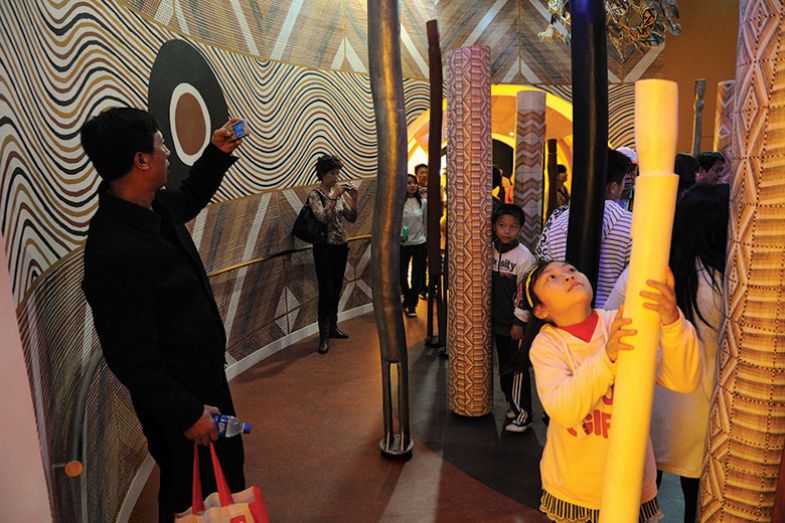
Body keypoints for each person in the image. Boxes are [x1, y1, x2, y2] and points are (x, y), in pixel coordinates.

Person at [80, 107, 246, 522]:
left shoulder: (154, 207)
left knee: (224, 473)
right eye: (160, 144)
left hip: (205, 380)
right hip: (178, 401)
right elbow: (130, 354)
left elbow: (189, 197)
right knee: (186, 494)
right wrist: (186, 412)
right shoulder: (113, 248)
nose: (167, 151)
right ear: (141, 159)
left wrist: (216, 153)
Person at [522, 260, 702, 523]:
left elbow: (683, 379)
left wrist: (673, 321)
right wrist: (607, 358)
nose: (569, 276)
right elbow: (564, 409)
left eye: (571, 270)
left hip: (633, 483)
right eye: (552, 277)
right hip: (577, 488)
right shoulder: (548, 345)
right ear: (540, 310)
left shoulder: (620, 322)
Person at [604, 183, 729, 523]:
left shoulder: (646, 272)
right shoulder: (730, 281)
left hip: (644, 408)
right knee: (700, 501)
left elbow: (606, 323)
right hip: (705, 413)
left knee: (638, 497)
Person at [536, 149, 633, 308]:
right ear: (613, 187)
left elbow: (543, 265)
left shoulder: (557, 222)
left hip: (565, 318)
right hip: (613, 322)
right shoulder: (630, 224)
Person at [492, 204, 537, 432]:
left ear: (519, 229)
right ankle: (513, 404)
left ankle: (524, 414)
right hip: (497, 322)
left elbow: (525, 293)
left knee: (517, 369)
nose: (506, 231)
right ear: (494, 226)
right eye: (502, 226)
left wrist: (519, 322)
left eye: (512, 227)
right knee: (504, 368)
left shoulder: (524, 257)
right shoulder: (489, 250)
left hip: (514, 325)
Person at [308, 154, 358, 354]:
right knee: (326, 291)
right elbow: (322, 218)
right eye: (331, 174)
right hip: (324, 249)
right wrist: (334, 197)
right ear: (322, 174)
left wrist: (354, 199)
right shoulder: (315, 195)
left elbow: (351, 218)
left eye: (337, 173)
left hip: (340, 246)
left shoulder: (338, 194)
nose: (336, 178)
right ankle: (323, 336)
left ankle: (334, 327)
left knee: (336, 288)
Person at [400, 174, 427, 317]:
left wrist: (426, 238)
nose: (412, 185)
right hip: (403, 243)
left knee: (417, 276)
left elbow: (426, 222)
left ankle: (412, 305)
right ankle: (407, 297)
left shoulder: (423, 202)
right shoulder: (398, 203)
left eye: (414, 183)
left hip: (420, 243)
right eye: (408, 183)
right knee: (401, 275)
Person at [615, 146, 638, 210]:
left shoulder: (641, 198)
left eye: (631, 170)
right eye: (623, 170)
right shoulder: (604, 196)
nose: (627, 176)